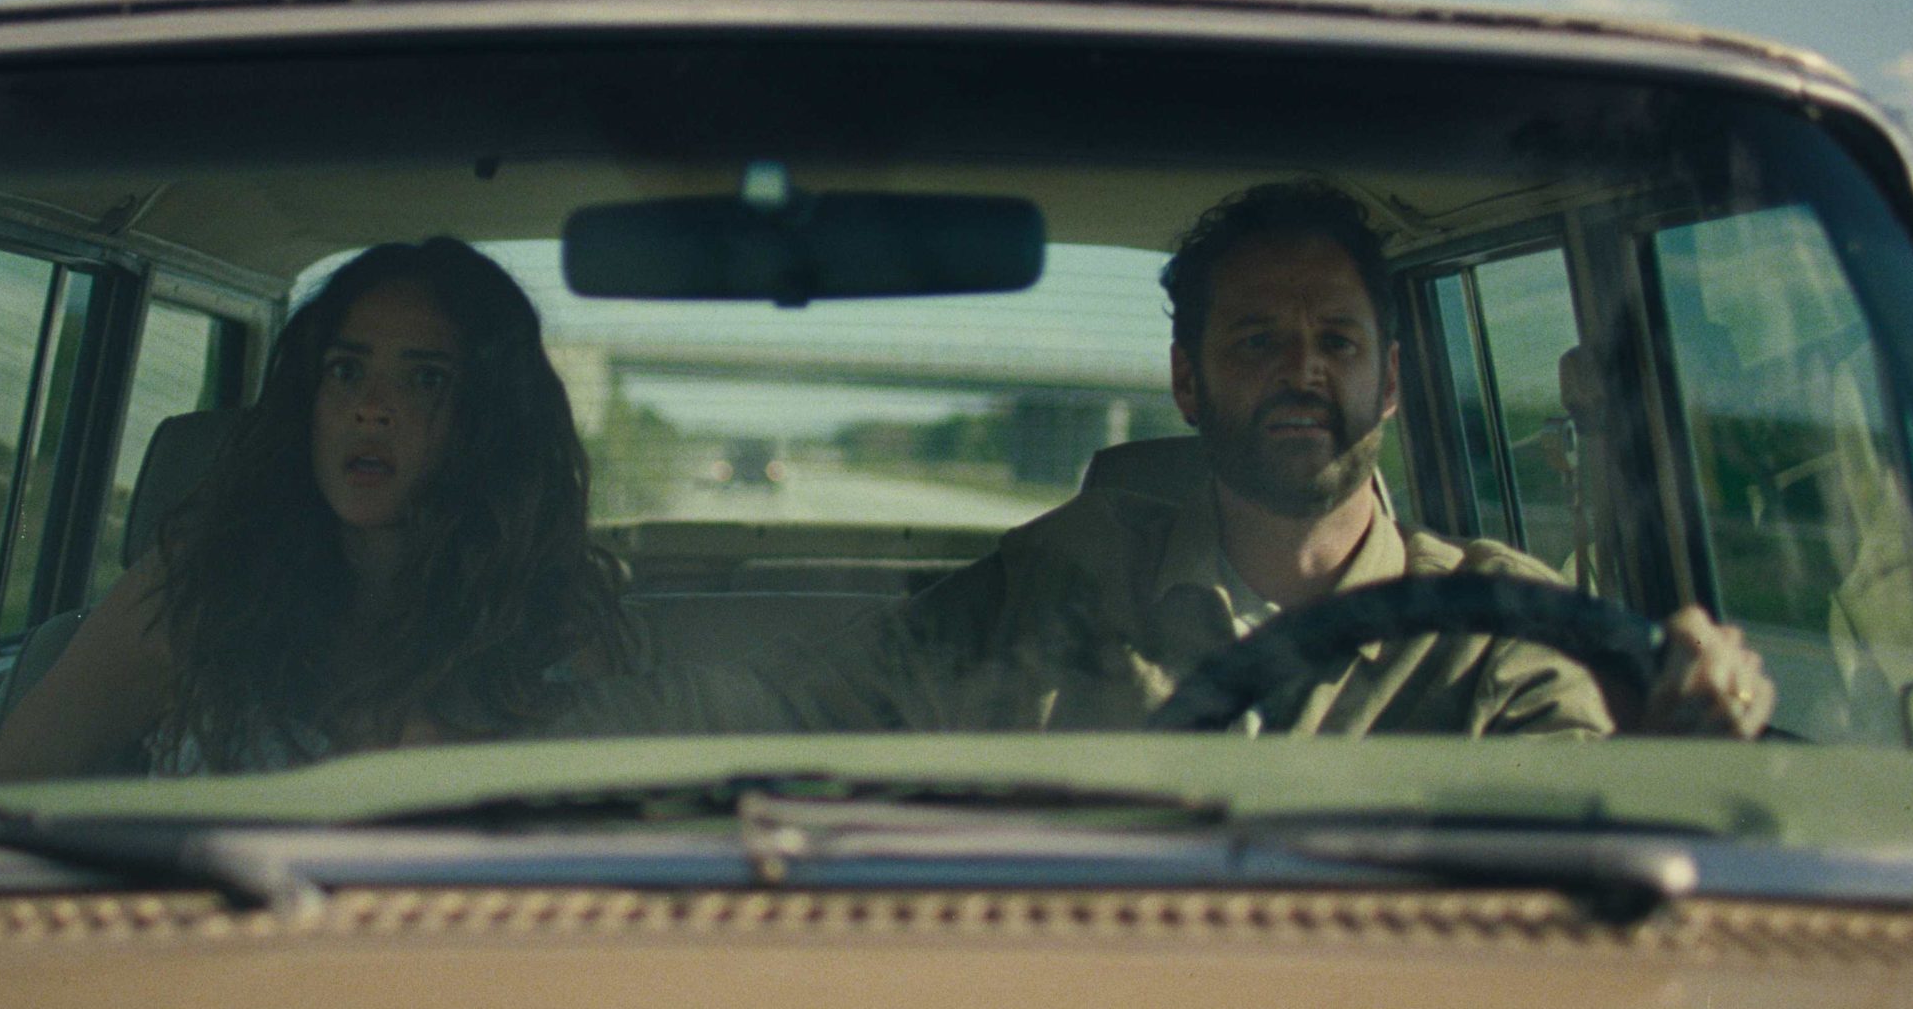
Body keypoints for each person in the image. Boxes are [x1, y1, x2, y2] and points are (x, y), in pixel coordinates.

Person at [554, 182, 1771, 739]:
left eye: (1336, 341)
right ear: (1187, 381)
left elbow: (1592, 825)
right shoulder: (1061, 579)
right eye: (1256, 340)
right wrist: (521, 731)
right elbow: (796, 706)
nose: (1301, 372)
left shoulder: (1502, 628)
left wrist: (1684, 751)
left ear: (1391, 383)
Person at [0, 238, 630, 780]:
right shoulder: (196, 591)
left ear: (489, 420)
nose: (371, 407)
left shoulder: (544, 618)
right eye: (346, 371)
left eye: (425, 379)